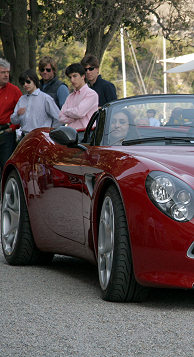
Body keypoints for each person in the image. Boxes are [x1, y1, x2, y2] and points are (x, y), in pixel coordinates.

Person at [11, 69, 60, 136]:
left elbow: (58, 117)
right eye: (23, 83)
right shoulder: (22, 99)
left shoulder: (45, 98)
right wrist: (17, 114)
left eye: (28, 82)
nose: (25, 85)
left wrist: (51, 132)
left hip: (41, 137)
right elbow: (13, 121)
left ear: (34, 81)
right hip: (25, 137)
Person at [0, 58, 22, 180]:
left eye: (7, 72)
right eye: (3, 72)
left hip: (7, 133)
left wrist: (13, 127)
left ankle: (6, 195)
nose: (6, 75)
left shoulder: (14, 91)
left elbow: (22, 113)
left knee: (6, 165)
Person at [59, 63, 98, 129]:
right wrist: (75, 117)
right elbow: (61, 118)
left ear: (83, 76)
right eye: (70, 77)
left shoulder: (91, 94)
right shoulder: (70, 96)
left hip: (86, 134)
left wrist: (67, 112)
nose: (72, 80)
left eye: (75, 76)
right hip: (71, 134)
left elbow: (79, 113)